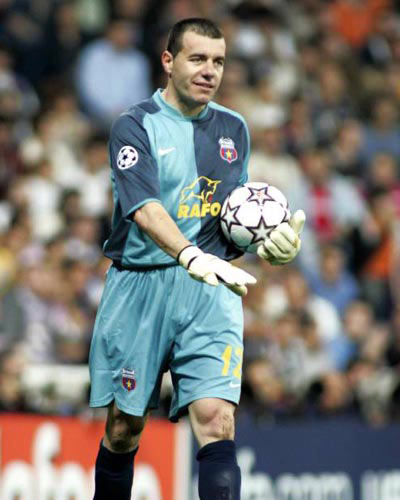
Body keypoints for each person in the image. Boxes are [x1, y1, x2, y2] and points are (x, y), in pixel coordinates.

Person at [89, 18, 305, 500]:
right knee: (124, 428)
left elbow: (233, 216)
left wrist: (268, 245)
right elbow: (143, 209)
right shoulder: (134, 125)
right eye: (198, 58)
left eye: (219, 61)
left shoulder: (234, 128)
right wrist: (188, 254)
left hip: (211, 290)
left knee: (216, 419)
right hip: (140, 287)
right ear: (169, 61)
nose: (210, 71)